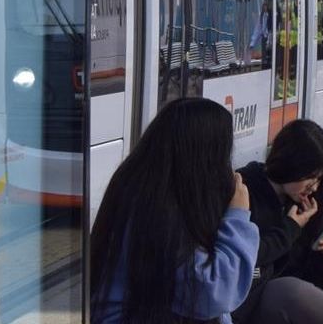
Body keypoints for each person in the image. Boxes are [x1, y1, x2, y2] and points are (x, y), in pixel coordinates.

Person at [88, 98, 259, 324]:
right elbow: (215, 292)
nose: (227, 165)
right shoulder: (154, 210)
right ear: (203, 159)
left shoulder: (148, 187)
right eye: (223, 155)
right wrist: (238, 217)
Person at [233, 119, 323, 324]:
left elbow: (317, 286)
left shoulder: (306, 205)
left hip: (287, 309)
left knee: (292, 292)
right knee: (287, 291)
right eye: (311, 177)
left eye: (319, 179)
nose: (314, 187)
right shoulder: (244, 190)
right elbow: (245, 257)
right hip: (245, 304)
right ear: (291, 164)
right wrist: (289, 230)